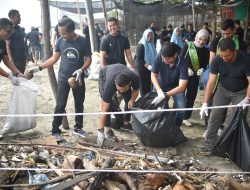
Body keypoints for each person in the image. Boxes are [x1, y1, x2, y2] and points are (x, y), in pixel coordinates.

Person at [28, 18, 92, 143]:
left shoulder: (83, 41)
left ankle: (78, 128)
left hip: (77, 77)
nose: (61, 35)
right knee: (60, 104)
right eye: (60, 33)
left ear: (72, 31)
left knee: (79, 103)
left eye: (63, 33)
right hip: (63, 76)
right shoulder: (60, 41)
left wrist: (82, 69)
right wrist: (39, 68)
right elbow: (54, 58)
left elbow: (88, 59)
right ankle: (55, 130)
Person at [200, 38, 250, 155]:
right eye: (221, 55)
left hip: (241, 91)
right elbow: (211, 82)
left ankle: (233, 147)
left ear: (234, 51)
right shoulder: (218, 59)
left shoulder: (246, 59)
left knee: (238, 118)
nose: (223, 58)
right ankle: (209, 145)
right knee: (214, 115)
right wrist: (205, 102)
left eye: (226, 56)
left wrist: (247, 99)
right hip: (223, 89)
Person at [203, 18, 247, 136]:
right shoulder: (216, 43)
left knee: (237, 115)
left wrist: (247, 98)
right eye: (223, 33)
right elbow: (212, 64)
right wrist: (204, 102)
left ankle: (233, 139)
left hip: (238, 82)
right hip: (219, 76)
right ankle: (211, 130)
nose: (226, 35)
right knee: (214, 107)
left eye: (228, 33)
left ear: (234, 30)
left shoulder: (241, 46)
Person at [97, 64, 140, 146]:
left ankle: (126, 123)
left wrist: (132, 99)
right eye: (119, 89)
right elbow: (104, 110)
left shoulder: (134, 77)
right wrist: (100, 130)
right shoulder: (110, 85)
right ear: (115, 83)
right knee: (109, 105)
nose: (121, 91)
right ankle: (108, 130)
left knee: (129, 100)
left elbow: (136, 90)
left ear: (129, 83)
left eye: (124, 89)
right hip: (105, 74)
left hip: (120, 71)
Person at [151, 42, 188, 127]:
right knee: (159, 110)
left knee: (182, 109)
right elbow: (153, 75)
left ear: (175, 55)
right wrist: (159, 90)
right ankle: (160, 129)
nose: (164, 61)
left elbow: (182, 87)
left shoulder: (183, 63)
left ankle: (175, 128)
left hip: (176, 87)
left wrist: (166, 95)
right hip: (160, 85)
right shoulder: (159, 57)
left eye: (168, 59)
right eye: (163, 58)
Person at [180, 29, 209, 127]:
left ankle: (186, 117)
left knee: (191, 97)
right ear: (196, 37)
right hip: (184, 75)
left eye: (204, 40)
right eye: (200, 39)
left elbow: (205, 64)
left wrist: (203, 69)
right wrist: (186, 68)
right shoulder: (188, 46)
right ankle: (176, 115)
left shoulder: (206, 51)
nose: (201, 42)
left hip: (195, 77)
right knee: (180, 95)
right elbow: (180, 59)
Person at [135, 28, 157, 96]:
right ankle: (144, 102)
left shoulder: (152, 44)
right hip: (143, 69)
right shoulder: (141, 45)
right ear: (145, 36)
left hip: (150, 69)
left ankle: (148, 101)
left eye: (151, 35)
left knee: (149, 86)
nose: (150, 37)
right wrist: (149, 66)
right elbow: (139, 60)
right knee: (144, 87)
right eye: (148, 35)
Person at [6, 9, 26, 74]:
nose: (20, 18)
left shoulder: (19, 28)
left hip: (22, 58)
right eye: (18, 16)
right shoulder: (9, 29)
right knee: (17, 79)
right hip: (15, 60)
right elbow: (7, 45)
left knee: (22, 78)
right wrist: (11, 59)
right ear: (12, 17)